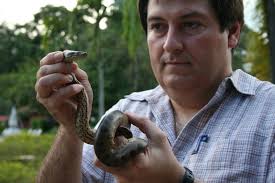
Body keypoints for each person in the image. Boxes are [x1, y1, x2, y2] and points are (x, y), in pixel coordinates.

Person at [35, 0, 275, 182]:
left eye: (191, 25)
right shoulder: (124, 110)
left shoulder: (270, 114)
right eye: (158, 26)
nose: (170, 44)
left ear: (233, 33)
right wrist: (71, 127)